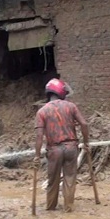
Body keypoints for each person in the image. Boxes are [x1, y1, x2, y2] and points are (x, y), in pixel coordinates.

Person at [34, 78, 90, 212]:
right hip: (71, 148)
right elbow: (84, 124)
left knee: (52, 181)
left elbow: (39, 136)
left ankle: (50, 208)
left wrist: (36, 156)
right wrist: (86, 142)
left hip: (54, 150)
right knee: (69, 178)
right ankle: (68, 208)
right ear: (61, 92)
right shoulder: (70, 106)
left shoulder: (42, 111)